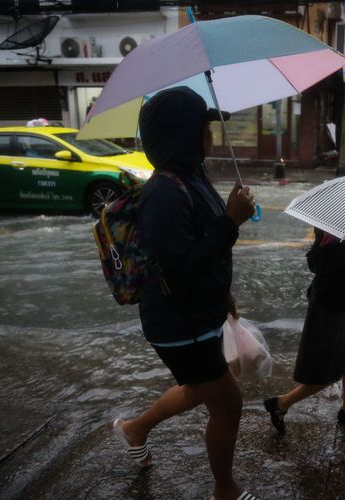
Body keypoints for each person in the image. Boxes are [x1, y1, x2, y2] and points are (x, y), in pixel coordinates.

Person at [111, 87, 257, 500]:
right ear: (184, 133)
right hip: (179, 321)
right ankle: (225, 490)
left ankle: (134, 429)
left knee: (200, 388)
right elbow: (179, 268)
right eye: (203, 127)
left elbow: (201, 247)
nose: (210, 135)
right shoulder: (163, 193)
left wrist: (223, 291)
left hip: (196, 312)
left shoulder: (191, 177)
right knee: (226, 402)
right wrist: (231, 221)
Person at [263, 228, 345, 434]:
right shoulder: (337, 250)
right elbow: (336, 296)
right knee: (328, 371)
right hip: (334, 318)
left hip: (340, 314)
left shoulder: (328, 241)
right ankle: (281, 403)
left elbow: (332, 286)